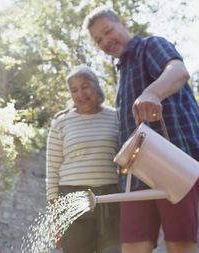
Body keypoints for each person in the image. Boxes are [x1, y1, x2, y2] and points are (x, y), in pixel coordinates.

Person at [83, 7, 199, 253]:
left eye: (107, 31)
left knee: (179, 244)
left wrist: (152, 92)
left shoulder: (151, 45)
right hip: (137, 172)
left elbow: (178, 71)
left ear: (122, 23)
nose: (105, 41)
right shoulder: (122, 74)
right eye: (98, 40)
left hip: (175, 157)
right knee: (132, 247)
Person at [46, 65, 121, 253]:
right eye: (74, 90)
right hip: (72, 200)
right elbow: (52, 172)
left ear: (97, 86)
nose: (81, 94)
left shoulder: (116, 117)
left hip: (111, 199)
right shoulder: (61, 123)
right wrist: (57, 219)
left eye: (85, 86)